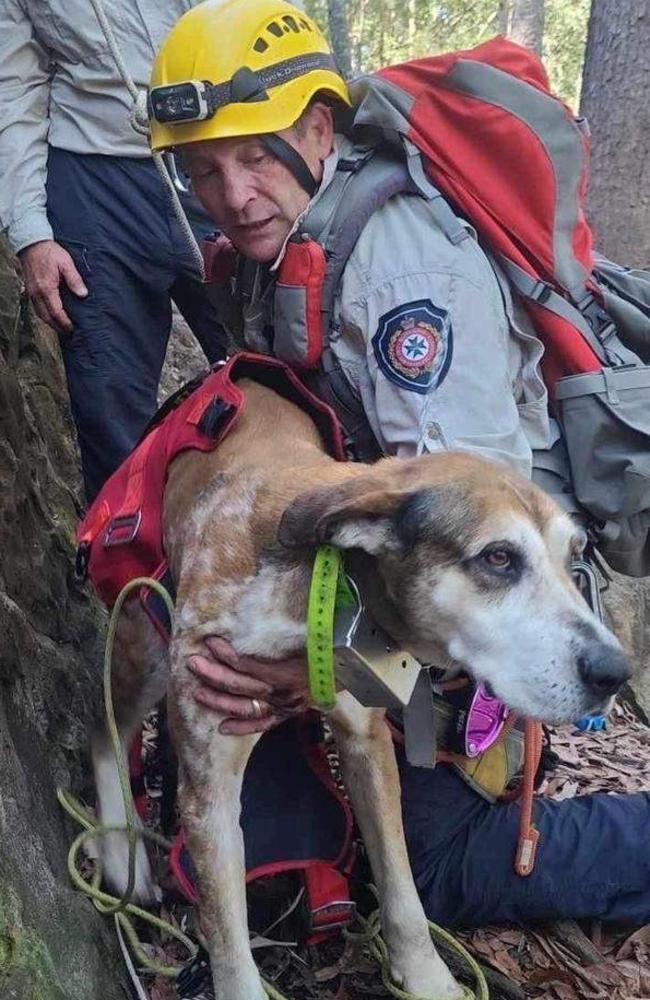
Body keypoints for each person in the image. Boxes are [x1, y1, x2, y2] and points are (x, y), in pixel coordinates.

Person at [150, 0, 650, 927]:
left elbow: (479, 526)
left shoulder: (398, 271)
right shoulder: (273, 248)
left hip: (495, 586)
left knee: (443, 868)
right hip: (383, 567)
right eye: (204, 169)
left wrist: (308, 674)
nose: (235, 192)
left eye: (257, 155)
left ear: (317, 128)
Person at [0, 0, 228, 502]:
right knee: (108, 405)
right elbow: (15, 86)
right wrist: (33, 232)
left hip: (221, 144)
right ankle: (136, 571)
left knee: (278, 360)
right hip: (93, 185)